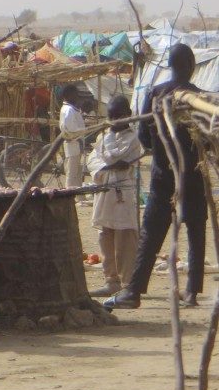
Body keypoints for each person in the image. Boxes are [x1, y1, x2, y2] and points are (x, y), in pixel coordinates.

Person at [108, 44, 206, 309]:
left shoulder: (154, 94)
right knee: (196, 232)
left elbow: (143, 137)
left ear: (170, 66)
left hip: (163, 176)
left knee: (151, 234)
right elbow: (208, 142)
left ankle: (134, 292)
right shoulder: (201, 98)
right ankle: (192, 292)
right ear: (191, 65)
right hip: (194, 177)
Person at [87, 96, 142, 297]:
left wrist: (109, 163)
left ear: (127, 115)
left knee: (125, 238)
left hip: (123, 194)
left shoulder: (133, 138)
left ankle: (128, 283)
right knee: (105, 235)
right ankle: (111, 280)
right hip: (105, 191)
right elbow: (93, 160)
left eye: (118, 116)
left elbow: (119, 158)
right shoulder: (103, 137)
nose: (115, 120)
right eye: (111, 117)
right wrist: (106, 167)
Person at [59, 84, 86, 188]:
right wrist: (84, 131)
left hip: (76, 144)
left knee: (77, 172)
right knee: (71, 172)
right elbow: (71, 129)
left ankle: (79, 196)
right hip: (73, 144)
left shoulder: (71, 109)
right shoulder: (68, 110)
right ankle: (68, 193)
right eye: (75, 94)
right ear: (69, 95)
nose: (77, 96)